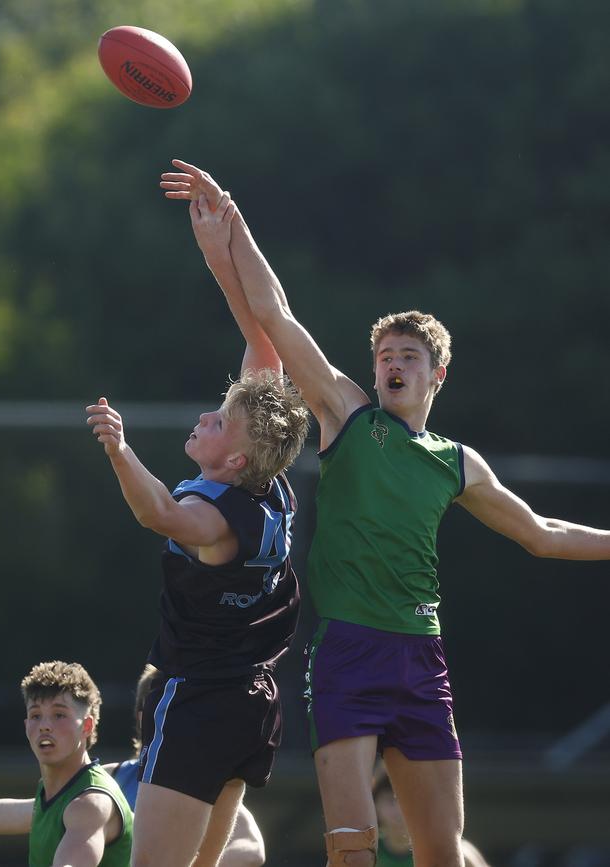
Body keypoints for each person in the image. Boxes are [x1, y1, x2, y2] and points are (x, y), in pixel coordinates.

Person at [159, 159, 610, 867]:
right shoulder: (348, 416)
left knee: (440, 849)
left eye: (409, 355)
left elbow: (543, 535)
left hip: (421, 656)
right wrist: (235, 226)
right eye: (385, 355)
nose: (393, 364)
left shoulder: (457, 462)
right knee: (354, 846)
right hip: (348, 652)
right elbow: (276, 316)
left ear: (437, 374)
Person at [86, 192, 309, 867]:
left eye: (221, 421)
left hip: (201, 700)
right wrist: (221, 251)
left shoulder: (216, 519)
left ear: (235, 457)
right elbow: (263, 342)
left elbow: (158, 512)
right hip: (255, 703)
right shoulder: (263, 479)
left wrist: (119, 450)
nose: (209, 418)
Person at [0, 660, 133, 867]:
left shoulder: (90, 804)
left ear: (87, 726)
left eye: (59, 715)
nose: (44, 726)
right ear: (26, 726)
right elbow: (22, 813)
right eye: (35, 716)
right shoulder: (59, 794)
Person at [104, 663, 266, 866]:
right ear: (142, 717)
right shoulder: (108, 778)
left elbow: (252, 848)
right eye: (166, 708)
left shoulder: (200, 784)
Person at [372, 765, 491, 867]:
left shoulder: (456, 853)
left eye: (406, 800)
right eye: (389, 801)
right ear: (374, 804)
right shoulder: (367, 853)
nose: (398, 810)